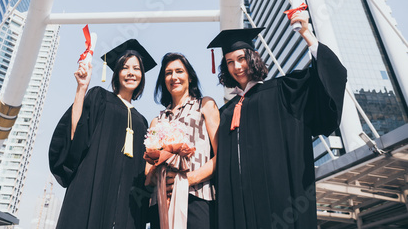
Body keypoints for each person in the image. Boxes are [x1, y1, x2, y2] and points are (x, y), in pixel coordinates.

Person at [209, 12, 347, 229]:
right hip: (240, 206)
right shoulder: (226, 112)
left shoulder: (282, 90)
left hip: (279, 200)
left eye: (241, 58)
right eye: (230, 62)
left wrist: (306, 33)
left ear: (253, 57)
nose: (237, 67)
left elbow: (329, 75)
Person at [49, 39, 157, 229]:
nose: (131, 72)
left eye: (136, 68)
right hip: (91, 186)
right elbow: (76, 134)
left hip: (125, 204)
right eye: (125, 67)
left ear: (142, 75)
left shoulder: (142, 121)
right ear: (116, 73)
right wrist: (82, 88)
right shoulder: (99, 97)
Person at [146, 52, 220, 229]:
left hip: (198, 197)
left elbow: (222, 155)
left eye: (179, 71)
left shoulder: (205, 105)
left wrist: (188, 179)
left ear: (190, 77)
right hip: (163, 200)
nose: (174, 77)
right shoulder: (157, 121)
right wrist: (162, 180)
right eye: (168, 73)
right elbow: (148, 172)